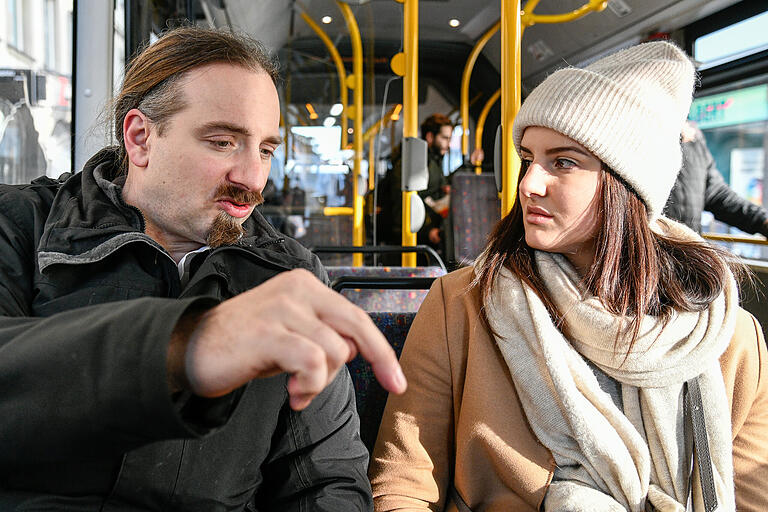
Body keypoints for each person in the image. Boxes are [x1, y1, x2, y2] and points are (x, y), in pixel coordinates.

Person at [0, 26, 406, 510]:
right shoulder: (21, 227)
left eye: (265, 149)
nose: (253, 179)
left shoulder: (288, 275)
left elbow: (325, 481)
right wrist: (183, 347)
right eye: (222, 142)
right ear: (140, 138)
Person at [369, 41, 768, 511]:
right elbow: (405, 483)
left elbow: (750, 497)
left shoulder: (726, 337)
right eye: (527, 159)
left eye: (563, 161)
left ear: (627, 186)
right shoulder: (460, 306)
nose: (528, 184)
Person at [665, 120, 768, 236]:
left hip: (688, 248)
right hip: (650, 250)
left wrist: (761, 221)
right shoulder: (645, 130)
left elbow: (716, 194)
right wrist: (672, 135)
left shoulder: (693, 137)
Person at [377, 114, 453, 262]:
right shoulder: (414, 164)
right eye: (444, 138)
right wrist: (428, 230)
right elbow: (403, 202)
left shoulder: (433, 161)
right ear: (430, 137)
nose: (448, 144)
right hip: (408, 240)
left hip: (423, 236)